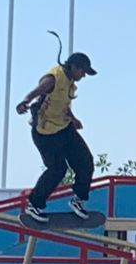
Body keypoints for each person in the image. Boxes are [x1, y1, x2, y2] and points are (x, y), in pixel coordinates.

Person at [14, 52, 97, 223]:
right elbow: (36, 92)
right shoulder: (53, 78)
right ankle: (34, 204)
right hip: (45, 133)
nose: (83, 76)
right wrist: (24, 102)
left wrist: (73, 119)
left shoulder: (70, 82)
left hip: (64, 128)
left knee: (85, 162)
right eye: (83, 72)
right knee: (58, 169)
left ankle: (78, 200)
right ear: (74, 67)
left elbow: (62, 104)